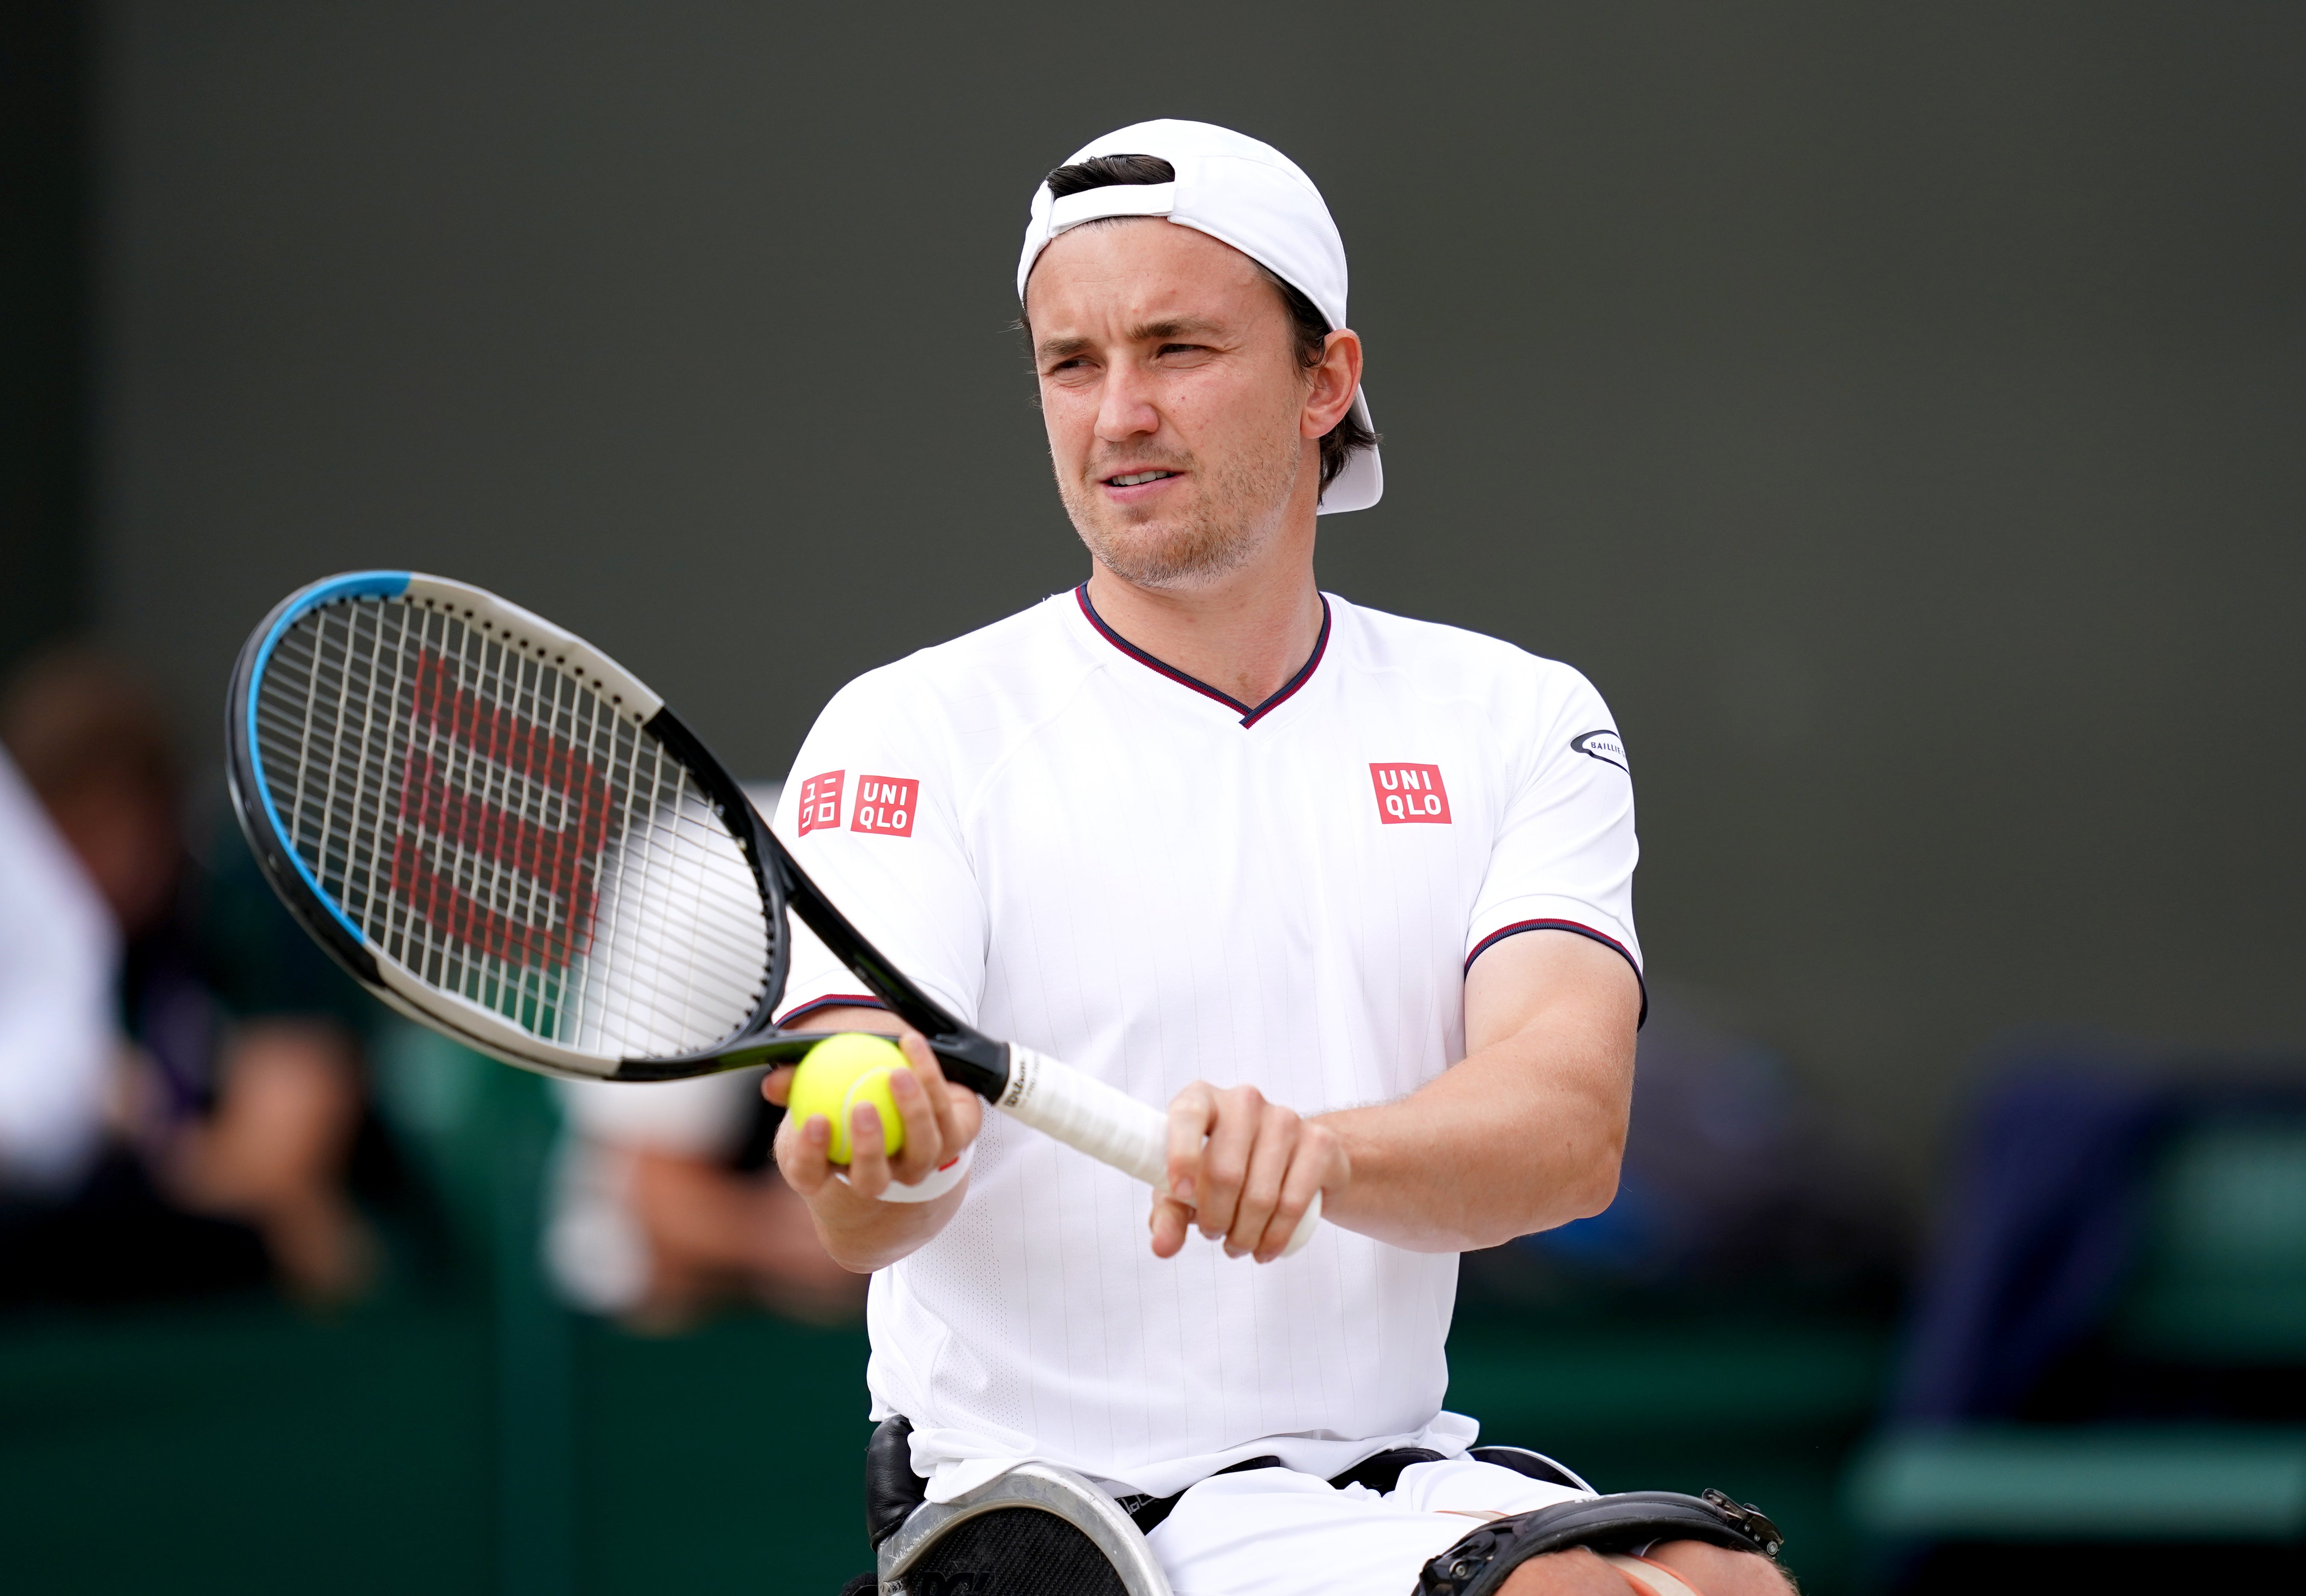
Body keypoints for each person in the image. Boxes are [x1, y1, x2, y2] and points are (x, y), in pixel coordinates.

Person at [762, 122, 1793, 1596]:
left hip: (1390, 1475)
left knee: (1731, 1589)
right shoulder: (912, 728)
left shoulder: (1518, 717)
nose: (1118, 412)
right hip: (1043, 1525)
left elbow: (1565, 1130)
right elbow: (867, 1195)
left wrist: (1321, 1151)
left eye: (1177, 347)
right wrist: (869, 1153)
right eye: (1072, 362)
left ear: (1327, 380)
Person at [0, 648, 374, 1305]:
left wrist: (126, 1115)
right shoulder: (45, 936)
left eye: (91, 833)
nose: (65, 872)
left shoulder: (256, 900)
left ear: (152, 807)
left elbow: (277, 1170)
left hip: (281, 1306)